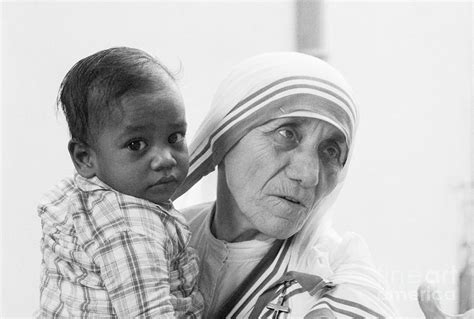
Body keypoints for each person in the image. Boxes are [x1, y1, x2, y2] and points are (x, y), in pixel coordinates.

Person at [173, 52, 396, 318]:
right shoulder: (162, 240)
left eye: (331, 151)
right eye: (286, 134)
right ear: (224, 137)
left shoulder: (335, 267)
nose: (309, 175)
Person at [38, 47, 203, 318]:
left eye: (175, 137)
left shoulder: (82, 197)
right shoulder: (131, 227)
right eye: (136, 144)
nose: (164, 159)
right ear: (85, 157)